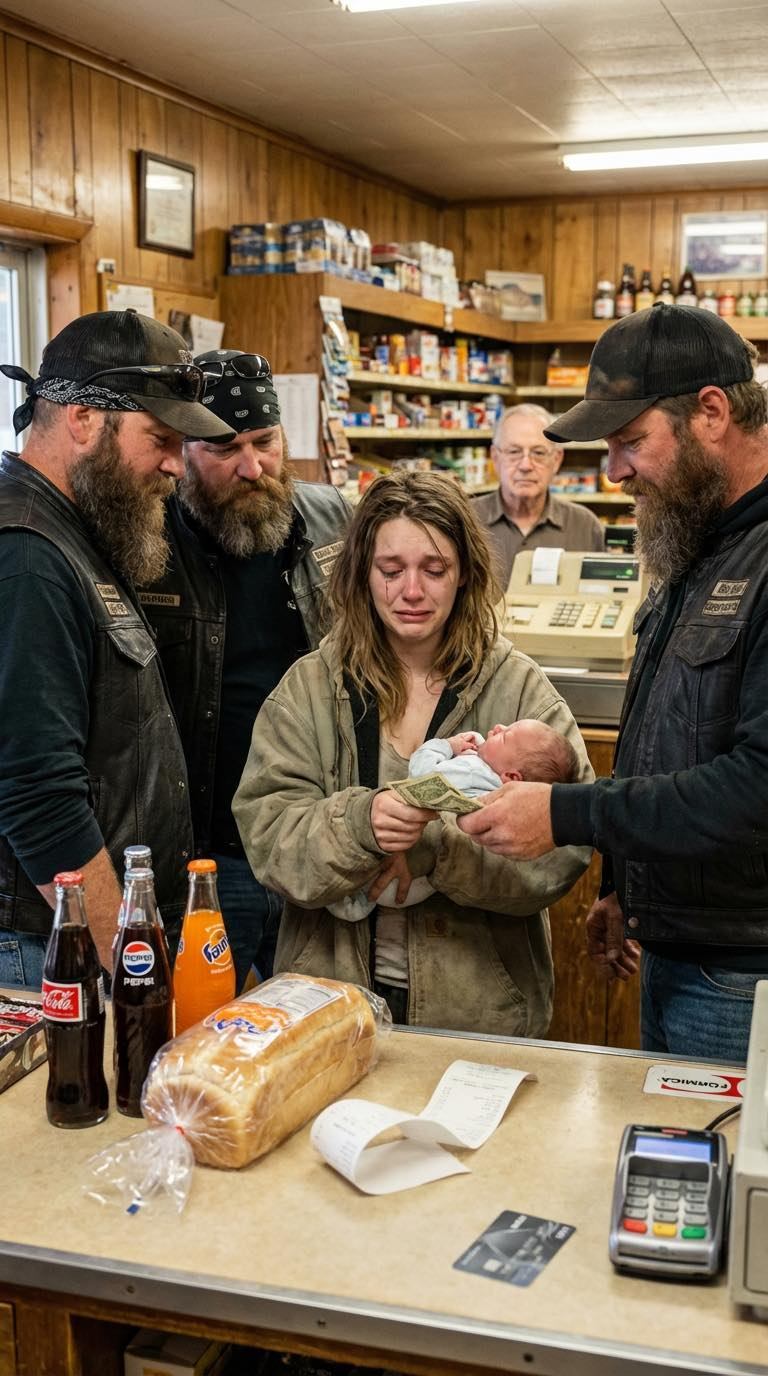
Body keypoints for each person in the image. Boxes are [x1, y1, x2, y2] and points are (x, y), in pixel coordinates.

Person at [458, 302, 768, 1064]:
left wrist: (570, 813)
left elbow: (756, 785)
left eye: (630, 441)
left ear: (712, 413)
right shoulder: (701, 540)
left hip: (742, 974)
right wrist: (626, 886)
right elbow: (674, 737)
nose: (615, 471)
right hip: (682, 948)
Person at [233, 471, 592, 1034]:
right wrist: (360, 825)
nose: (412, 592)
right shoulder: (309, 687)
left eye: (434, 569)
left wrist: (437, 849)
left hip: (477, 1012)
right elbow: (268, 834)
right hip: (331, 1008)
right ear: (361, 571)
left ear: (465, 572)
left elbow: (564, 850)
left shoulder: (519, 689)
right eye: (391, 569)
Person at [0, 309, 234, 984]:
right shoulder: (29, 557)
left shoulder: (78, 531)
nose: (175, 465)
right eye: (160, 438)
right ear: (83, 420)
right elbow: (37, 795)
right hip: (50, 947)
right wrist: (132, 964)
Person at [137, 349, 351, 992]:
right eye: (224, 448)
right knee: (202, 1030)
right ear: (182, 450)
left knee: (319, 1025)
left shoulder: (332, 520)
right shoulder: (145, 540)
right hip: (206, 857)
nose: (253, 467)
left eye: (265, 441)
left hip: (316, 837)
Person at [328, 718, 580, 920]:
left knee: (372, 887)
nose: (497, 727)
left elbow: (422, 771)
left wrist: (446, 746)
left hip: (410, 870)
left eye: (504, 736)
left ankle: (352, 904)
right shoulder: (502, 788)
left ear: (512, 777)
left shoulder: (472, 770)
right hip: (438, 883)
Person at [473, 403, 604, 587]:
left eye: (538, 453)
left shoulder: (585, 526)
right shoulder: (466, 519)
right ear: (495, 458)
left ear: (556, 460)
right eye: (514, 452)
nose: (525, 465)